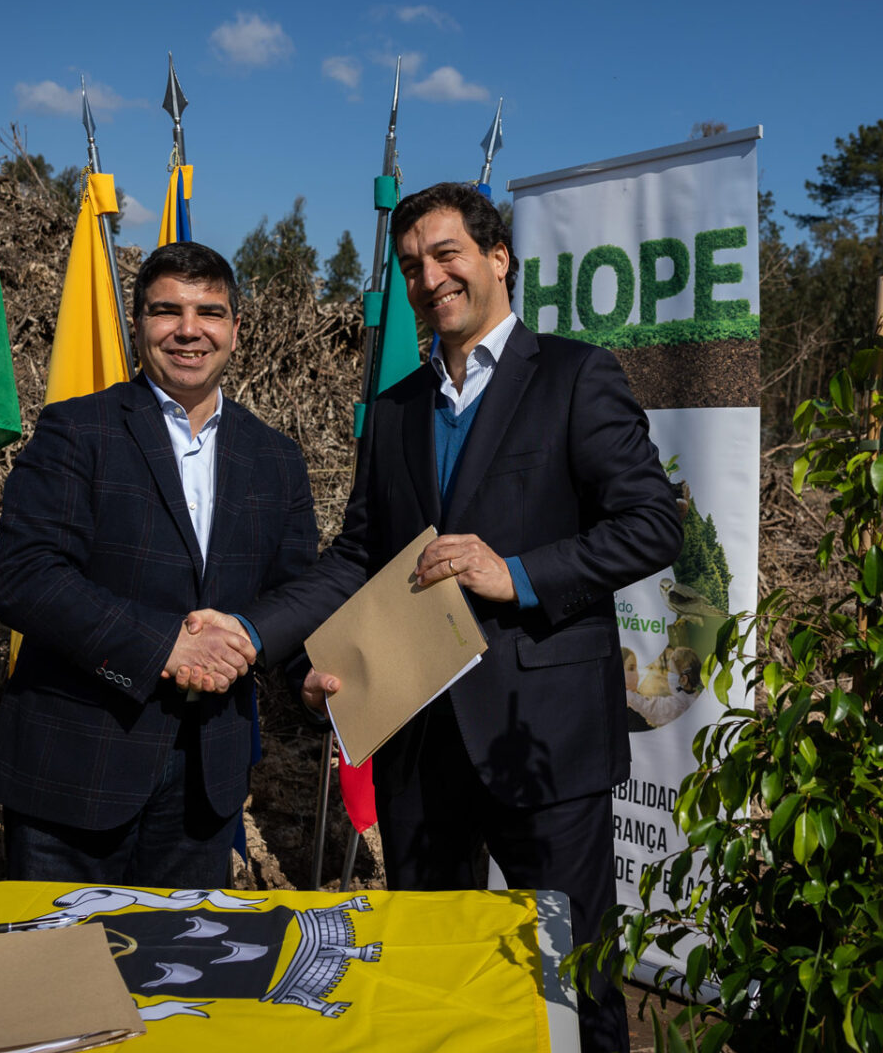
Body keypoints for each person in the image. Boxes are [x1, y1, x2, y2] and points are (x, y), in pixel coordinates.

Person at [227, 182, 681, 1051]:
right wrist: (271, 641)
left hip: (542, 737)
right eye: (411, 267)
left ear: (498, 258)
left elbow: (653, 524)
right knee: (432, 972)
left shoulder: (576, 376)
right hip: (418, 735)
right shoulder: (396, 408)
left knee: (571, 980)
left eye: (446, 255)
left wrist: (516, 573)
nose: (429, 278)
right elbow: (361, 555)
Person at [0, 242, 318, 888]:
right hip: (75, 771)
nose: (189, 329)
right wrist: (166, 644)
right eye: (167, 311)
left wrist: (315, 676)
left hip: (207, 784)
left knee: (180, 980)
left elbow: (292, 593)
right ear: (138, 326)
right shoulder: (77, 431)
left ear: (235, 329)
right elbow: (25, 579)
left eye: (209, 312)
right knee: (62, 978)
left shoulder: (276, 458)